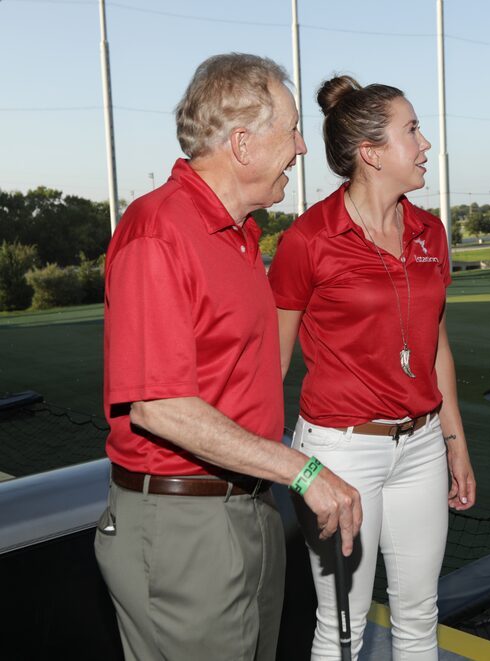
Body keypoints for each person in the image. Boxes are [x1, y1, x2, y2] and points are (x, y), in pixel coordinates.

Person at [94, 53, 362, 661]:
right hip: (183, 525)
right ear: (242, 144)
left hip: (245, 508)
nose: (300, 148)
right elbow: (159, 407)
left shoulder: (239, 235)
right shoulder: (159, 232)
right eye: (291, 130)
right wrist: (304, 469)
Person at [268, 75, 476, 660]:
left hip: (423, 445)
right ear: (372, 152)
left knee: (418, 617)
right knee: (342, 626)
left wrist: (454, 441)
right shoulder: (308, 240)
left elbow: (434, 343)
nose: (426, 144)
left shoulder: (429, 231)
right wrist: (270, 461)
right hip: (340, 451)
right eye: (412, 130)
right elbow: (273, 362)